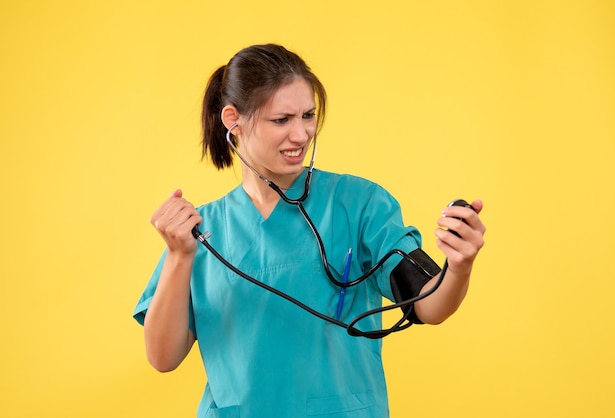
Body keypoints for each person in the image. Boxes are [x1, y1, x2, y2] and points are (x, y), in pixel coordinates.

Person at [133, 43, 486, 418]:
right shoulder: (200, 233)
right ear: (232, 120)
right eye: (281, 120)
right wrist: (179, 255)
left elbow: (427, 305)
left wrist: (459, 266)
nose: (301, 134)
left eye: (308, 115)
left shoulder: (360, 204)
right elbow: (163, 357)